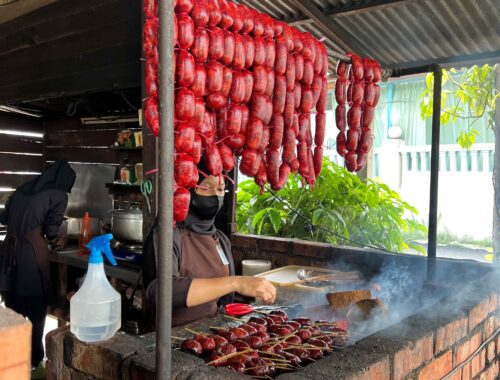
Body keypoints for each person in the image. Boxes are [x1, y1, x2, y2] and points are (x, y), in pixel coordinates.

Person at [143, 161, 276, 327]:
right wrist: (236, 282)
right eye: (206, 187)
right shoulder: (169, 234)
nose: (215, 195)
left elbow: (225, 301)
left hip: (210, 333)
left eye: (220, 189)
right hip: (170, 340)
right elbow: (160, 291)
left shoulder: (220, 239)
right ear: (188, 190)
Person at [0, 160, 76, 370]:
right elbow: (52, 232)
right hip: (31, 255)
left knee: (14, 307)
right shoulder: (58, 195)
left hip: (8, 254)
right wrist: (56, 234)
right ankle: (33, 360)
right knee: (35, 310)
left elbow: (4, 218)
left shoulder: (23, 189)